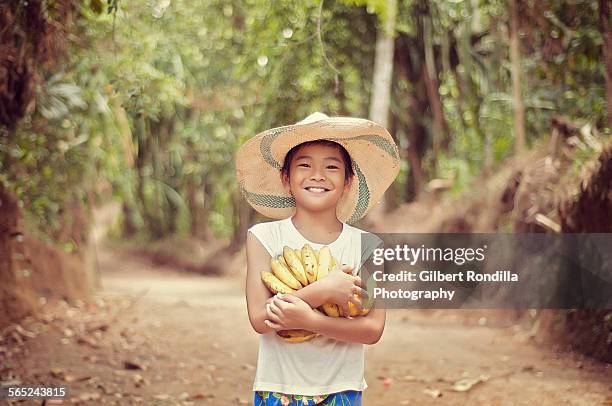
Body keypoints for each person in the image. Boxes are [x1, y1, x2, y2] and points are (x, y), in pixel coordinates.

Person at [235, 112, 400, 406]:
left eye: (332, 166)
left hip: (342, 389)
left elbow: (373, 329)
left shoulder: (369, 246)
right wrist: (321, 291)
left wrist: (310, 320)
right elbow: (260, 319)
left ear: (348, 181)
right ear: (286, 178)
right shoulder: (263, 237)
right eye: (304, 165)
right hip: (277, 387)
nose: (317, 175)